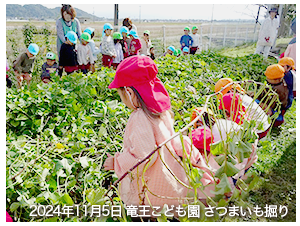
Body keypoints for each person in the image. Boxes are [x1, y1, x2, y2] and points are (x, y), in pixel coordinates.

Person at [104, 55, 215, 213]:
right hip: (170, 182)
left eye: (121, 94)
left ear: (129, 92)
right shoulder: (161, 111)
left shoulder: (139, 118)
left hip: (153, 192)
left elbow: (144, 158)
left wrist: (116, 162)